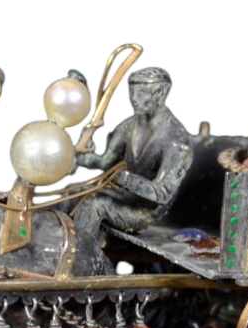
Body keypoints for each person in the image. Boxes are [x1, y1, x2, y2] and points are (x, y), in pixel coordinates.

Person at [71, 66, 194, 266]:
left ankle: (82, 263)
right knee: (74, 193)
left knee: (95, 205)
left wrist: (125, 179)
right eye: (132, 92)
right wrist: (78, 157)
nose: (135, 99)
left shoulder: (177, 141)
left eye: (142, 92)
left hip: (145, 212)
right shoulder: (129, 126)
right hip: (123, 196)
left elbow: (162, 193)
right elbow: (105, 162)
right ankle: (59, 248)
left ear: (161, 93)